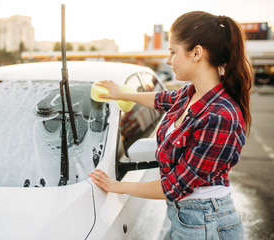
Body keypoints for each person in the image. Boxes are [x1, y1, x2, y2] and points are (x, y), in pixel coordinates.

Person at [89, 11, 252, 240]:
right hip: (187, 217)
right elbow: (160, 99)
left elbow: (174, 187)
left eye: (172, 52)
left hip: (205, 223)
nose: (168, 60)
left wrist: (118, 186)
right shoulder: (191, 92)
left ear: (196, 53)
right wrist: (121, 93)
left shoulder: (221, 116)